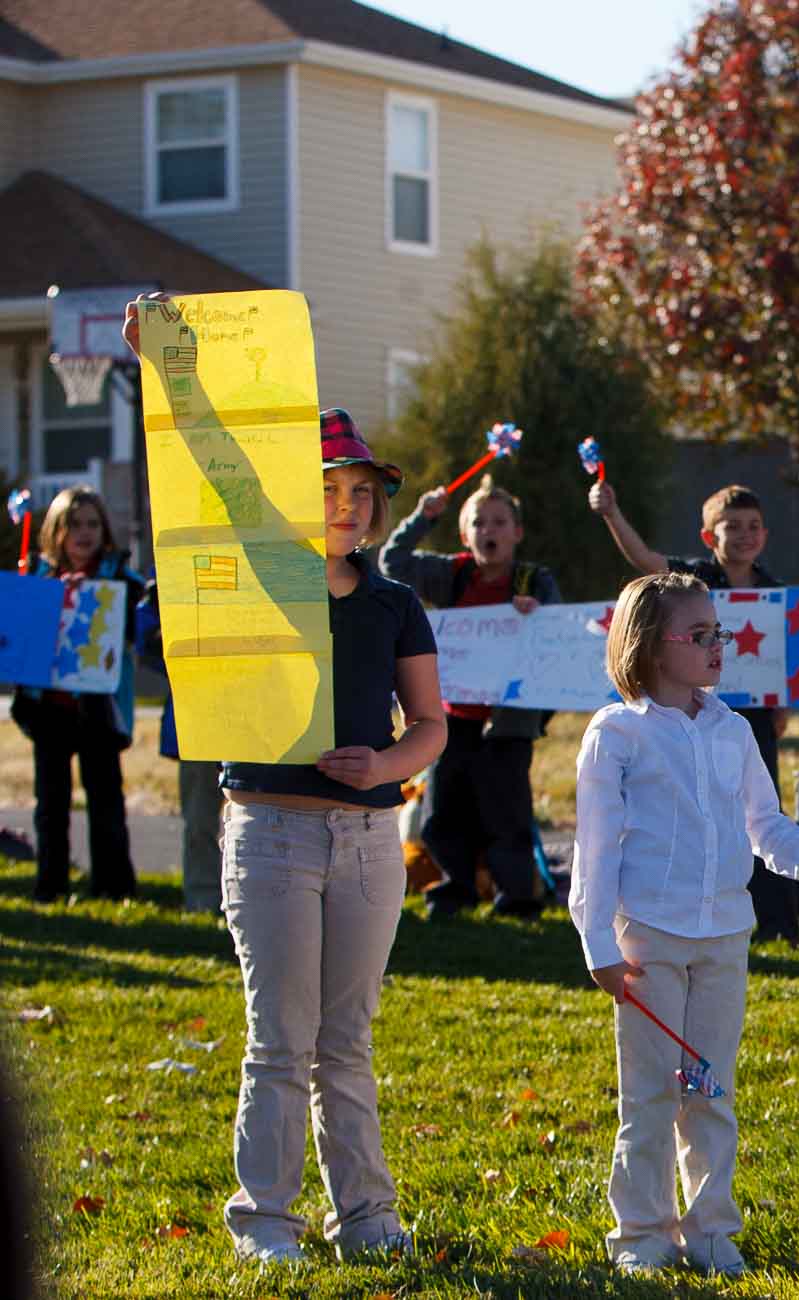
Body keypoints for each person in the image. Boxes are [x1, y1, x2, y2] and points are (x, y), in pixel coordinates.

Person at [115, 292, 455, 1265]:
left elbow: (429, 725)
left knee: (346, 1041)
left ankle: (369, 1220)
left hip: (365, 840)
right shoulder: (262, 567)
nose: (347, 505)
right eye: (327, 487)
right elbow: (208, 467)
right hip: (264, 828)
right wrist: (164, 370)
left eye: (361, 492)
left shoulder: (395, 604)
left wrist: (383, 764)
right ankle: (266, 1225)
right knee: (280, 1040)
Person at [569, 572, 799, 1278]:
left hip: (724, 936)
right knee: (652, 1091)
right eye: (700, 635)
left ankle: (712, 1228)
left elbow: (765, 825)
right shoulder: (616, 733)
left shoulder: (734, 729)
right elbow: (594, 849)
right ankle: (641, 1235)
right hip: (647, 938)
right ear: (653, 647)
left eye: (719, 632)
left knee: (711, 1088)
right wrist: (598, 943)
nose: (719, 646)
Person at [587, 478, 799, 941]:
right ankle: (682, 905)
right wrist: (612, 515)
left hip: (743, 716)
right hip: (681, 709)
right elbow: (645, 564)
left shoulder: (774, 586)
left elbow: (782, 652)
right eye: (733, 526)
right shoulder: (695, 580)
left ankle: (778, 922)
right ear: (710, 537)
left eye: (754, 526)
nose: (745, 535)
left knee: (755, 813)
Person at [380, 474, 559, 916]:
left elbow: (560, 637)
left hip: (508, 724)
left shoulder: (532, 581)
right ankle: (453, 887)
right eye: (479, 523)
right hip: (452, 717)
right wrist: (423, 517)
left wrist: (537, 616)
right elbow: (393, 562)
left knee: (508, 813)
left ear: (517, 533)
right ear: (465, 535)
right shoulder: (453, 574)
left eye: (500, 522)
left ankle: (517, 897)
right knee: (445, 811)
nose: (489, 531)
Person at [9, 484, 143, 902]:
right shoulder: (38, 578)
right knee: (50, 804)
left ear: (103, 529)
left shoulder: (121, 578)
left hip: (99, 709)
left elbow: (134, 629)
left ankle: (112, 886)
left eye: (91, 524)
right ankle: (50, 885)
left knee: (105, 800)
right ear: (55, 532)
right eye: (73, 525)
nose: (83, 534)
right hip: (49, 707)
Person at [134, 581, 223, 912]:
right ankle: (203, 899)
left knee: (268, 816)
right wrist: (163, 633)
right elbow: (148, 645)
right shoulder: (177, 560)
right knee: (200, 817)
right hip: (197, 713)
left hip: (258, 709)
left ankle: (261, 899)